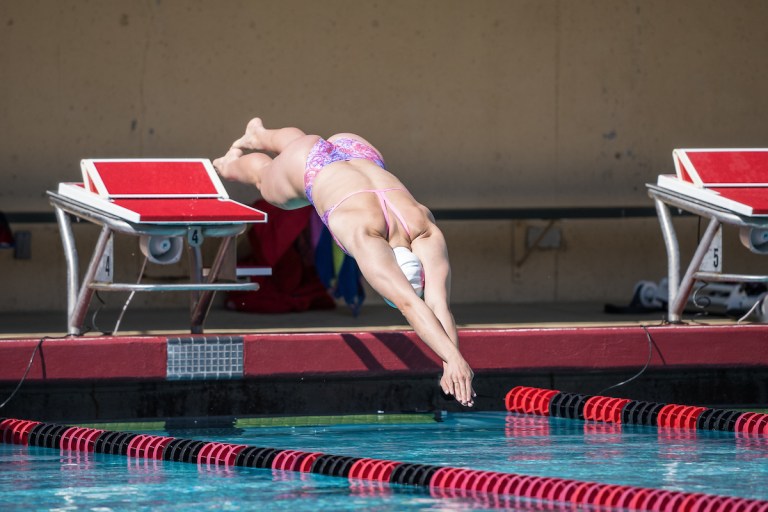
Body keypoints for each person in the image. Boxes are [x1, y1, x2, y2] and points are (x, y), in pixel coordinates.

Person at [213, 118, 476, 407]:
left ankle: (260, 134)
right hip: (311, 168)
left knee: (296, 145)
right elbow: (412, 304)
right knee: (265, 179)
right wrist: (451, 359)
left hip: (358, 151)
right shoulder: (366, 237)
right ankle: (227, 164)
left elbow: (440, 307)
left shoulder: (424, 228)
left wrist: (453, 360)